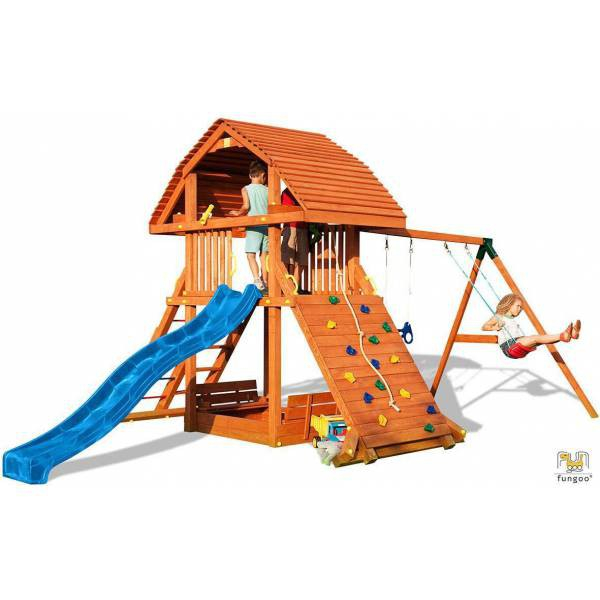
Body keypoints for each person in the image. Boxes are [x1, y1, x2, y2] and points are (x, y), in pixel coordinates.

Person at [482, 293, 581, 359]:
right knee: (535, 338)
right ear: (509, 304)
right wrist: (495, 327)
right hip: (509, 347)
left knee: (541, 340)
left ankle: (569, 334)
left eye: (521, 307)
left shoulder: (511, 318)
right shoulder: (499, 316)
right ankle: (563, 335)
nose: (520, 309)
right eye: (518, 306)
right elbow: (484, 327)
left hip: (517, 344)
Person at [228, 160, 269, 293]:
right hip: (267, 226)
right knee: (264, 256)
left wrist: (237, 213)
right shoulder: (268, 190)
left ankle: (257, 280)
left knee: (251, 255)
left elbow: (246, 206)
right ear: (263, 175)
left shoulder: (246, 189)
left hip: (254, 226)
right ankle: (265, 281)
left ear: (250, 175)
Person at [280, 188, 309, 292]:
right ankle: (286, 285)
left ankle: (294, 286)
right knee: (287, 258)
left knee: (301, 259)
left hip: (303, 226)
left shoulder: (305, 191)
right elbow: (285, 209)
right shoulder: (287, 192)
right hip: (291, 225)